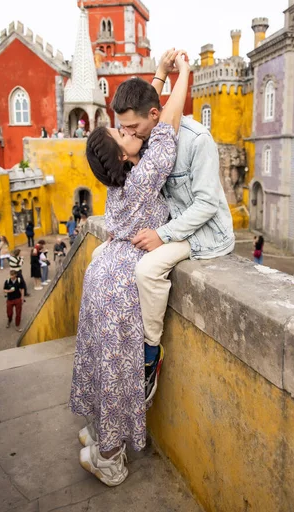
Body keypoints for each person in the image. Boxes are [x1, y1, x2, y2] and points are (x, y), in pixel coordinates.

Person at [69, 50, 190, 487]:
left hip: (102, 277)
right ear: (123, 156)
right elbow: (164, 120)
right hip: (121, 285)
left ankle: (99, 431)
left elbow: (144, 117)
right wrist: (184, 75)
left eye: (124, 128)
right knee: (121, 371)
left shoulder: (118, 183)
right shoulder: (143, 174)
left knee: (104, 363)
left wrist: (157, 73)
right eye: (120, 134)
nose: (127, 131)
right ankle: (110, 459)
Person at [111, 51, 234, 399]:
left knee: (148, 269)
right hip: (176, 227)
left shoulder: (196, 140)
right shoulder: (154, 135)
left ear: (153, 117)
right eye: (123, 128)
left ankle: (150, 356)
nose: (128, 134)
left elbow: (207, 204)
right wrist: (160, 74)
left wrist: (162, 235)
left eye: (132, 128)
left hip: (205, 235)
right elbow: (146, 104)